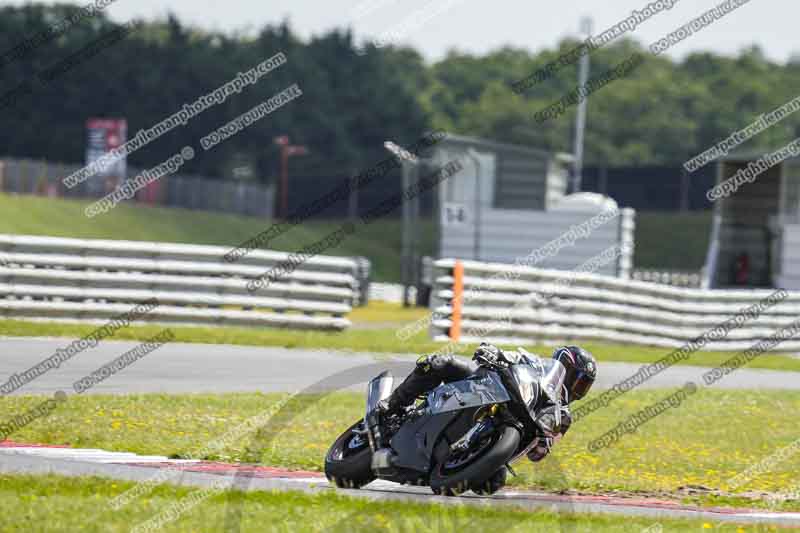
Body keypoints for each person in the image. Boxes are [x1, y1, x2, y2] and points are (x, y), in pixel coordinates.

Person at [367, 343, 597, 462]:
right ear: (563, 367)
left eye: (583, 385)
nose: (578, 388)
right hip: (486, 387)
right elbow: (511, 357)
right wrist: (493, 352)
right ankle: (390, 407)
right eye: (577, 379)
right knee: (439, 363)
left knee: (493, 483)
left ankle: (457, 460)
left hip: (508, 434)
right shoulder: (536, 364)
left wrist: (544, 445)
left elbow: (537, 454)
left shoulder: (563, 416)